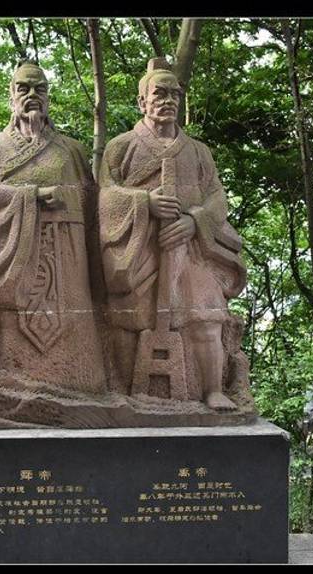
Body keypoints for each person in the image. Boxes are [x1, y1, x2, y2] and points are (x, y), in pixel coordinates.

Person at [98, 58, 248, 409]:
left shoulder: (198, 151)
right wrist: (144, 203)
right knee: (129, 316)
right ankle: (122, 389)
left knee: (206, 314)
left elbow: (217, 197)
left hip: (192, 249)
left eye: (174, 95)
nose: (168, 100)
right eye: (159, 93)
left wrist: (195, 222)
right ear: (142, 101)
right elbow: (105, 194)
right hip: (138, 247)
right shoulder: (121, 147)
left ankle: (212, 390)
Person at [0, 61, 106, 394]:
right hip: (16, 251)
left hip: (67, 254)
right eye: (23, 88)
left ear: (48, 97)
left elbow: (92, 204)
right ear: (11, 97)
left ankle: (80, 383)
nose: (32, 94)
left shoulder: (72, 149)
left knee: (72, 318)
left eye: (40, 88)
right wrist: (32, 196)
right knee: (18, 323)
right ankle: (15, 380)